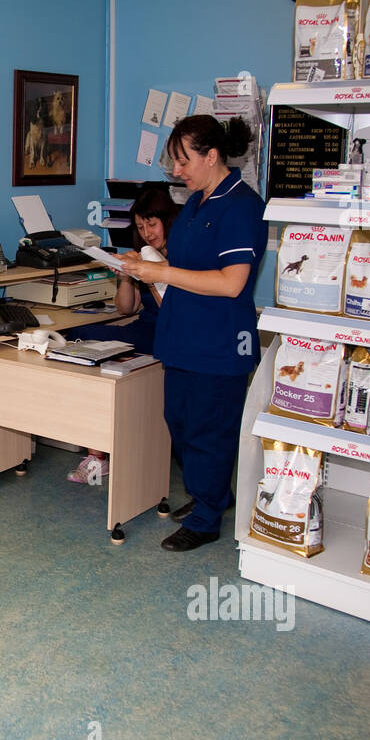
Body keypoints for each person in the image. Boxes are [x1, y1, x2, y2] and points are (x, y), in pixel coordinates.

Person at [119, 114, 266, 552]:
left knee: (209, 429)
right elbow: (180, 268)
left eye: (183, 162)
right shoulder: (196, 204)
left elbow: (231, 282)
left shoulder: (241, 205)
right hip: (182, 337)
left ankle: (205, 519)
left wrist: (159, 270)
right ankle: (212, 495)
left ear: (212, 156)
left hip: (218, 342)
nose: (177, 172)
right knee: (180, 423)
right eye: (173, 164)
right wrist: (143, 266)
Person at [65, 187, 180, 485]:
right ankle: (96, 456)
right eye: (140, 228)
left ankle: (98, 457)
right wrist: (126, 275)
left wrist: (151, 275)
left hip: (171, 333)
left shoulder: (181, 255)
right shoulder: (144, 253)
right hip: (142, 328)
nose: (147, 233)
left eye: (152, 225)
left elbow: (174, 311)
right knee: (78, 338)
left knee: (94, 348)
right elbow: (127, 307)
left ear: (167, 220)